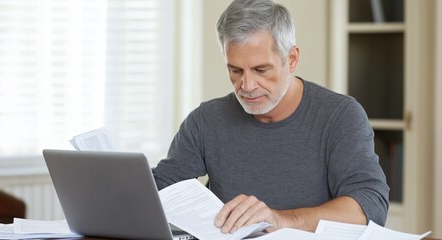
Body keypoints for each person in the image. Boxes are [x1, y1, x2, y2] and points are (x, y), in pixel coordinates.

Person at [153, 0, 389, 234]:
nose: (247, 85)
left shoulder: (340, 116)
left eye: (261, 70)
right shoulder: (205, 121)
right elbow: (157, 191)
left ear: (292, 59)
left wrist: (282, 219)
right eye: (235, 70)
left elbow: (370, 206)